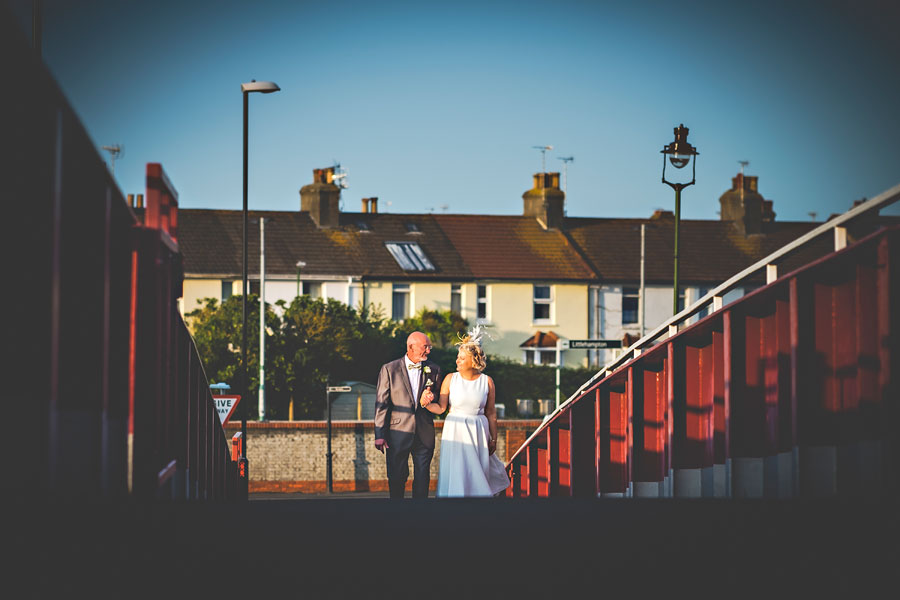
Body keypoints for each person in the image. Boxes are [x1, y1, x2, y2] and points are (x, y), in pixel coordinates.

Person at [421, 325, 510, 497]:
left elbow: (491, 413)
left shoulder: (487, 382)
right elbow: (440, 407)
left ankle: (479, 503)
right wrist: (425, 403)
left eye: (462, 358)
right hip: (455, 430)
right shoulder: (450, 379)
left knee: (477, 469)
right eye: (458, 357)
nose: (457, 361)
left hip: (478, 429)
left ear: (473, 360)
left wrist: (494, 438)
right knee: (456, 469)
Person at [374, 331, 443, 499]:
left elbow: (440, 398)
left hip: (424, 431)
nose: (428, 350)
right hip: (397, 432)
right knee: (397, 477)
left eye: (429, 346)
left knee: (422, 476)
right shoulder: (389, 369)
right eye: (425, 347)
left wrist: (432, 397)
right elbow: (382, 404)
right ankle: (396, 513)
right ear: (411, 347)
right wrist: (379, 434)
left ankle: (420, 515)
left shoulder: (434, 369)